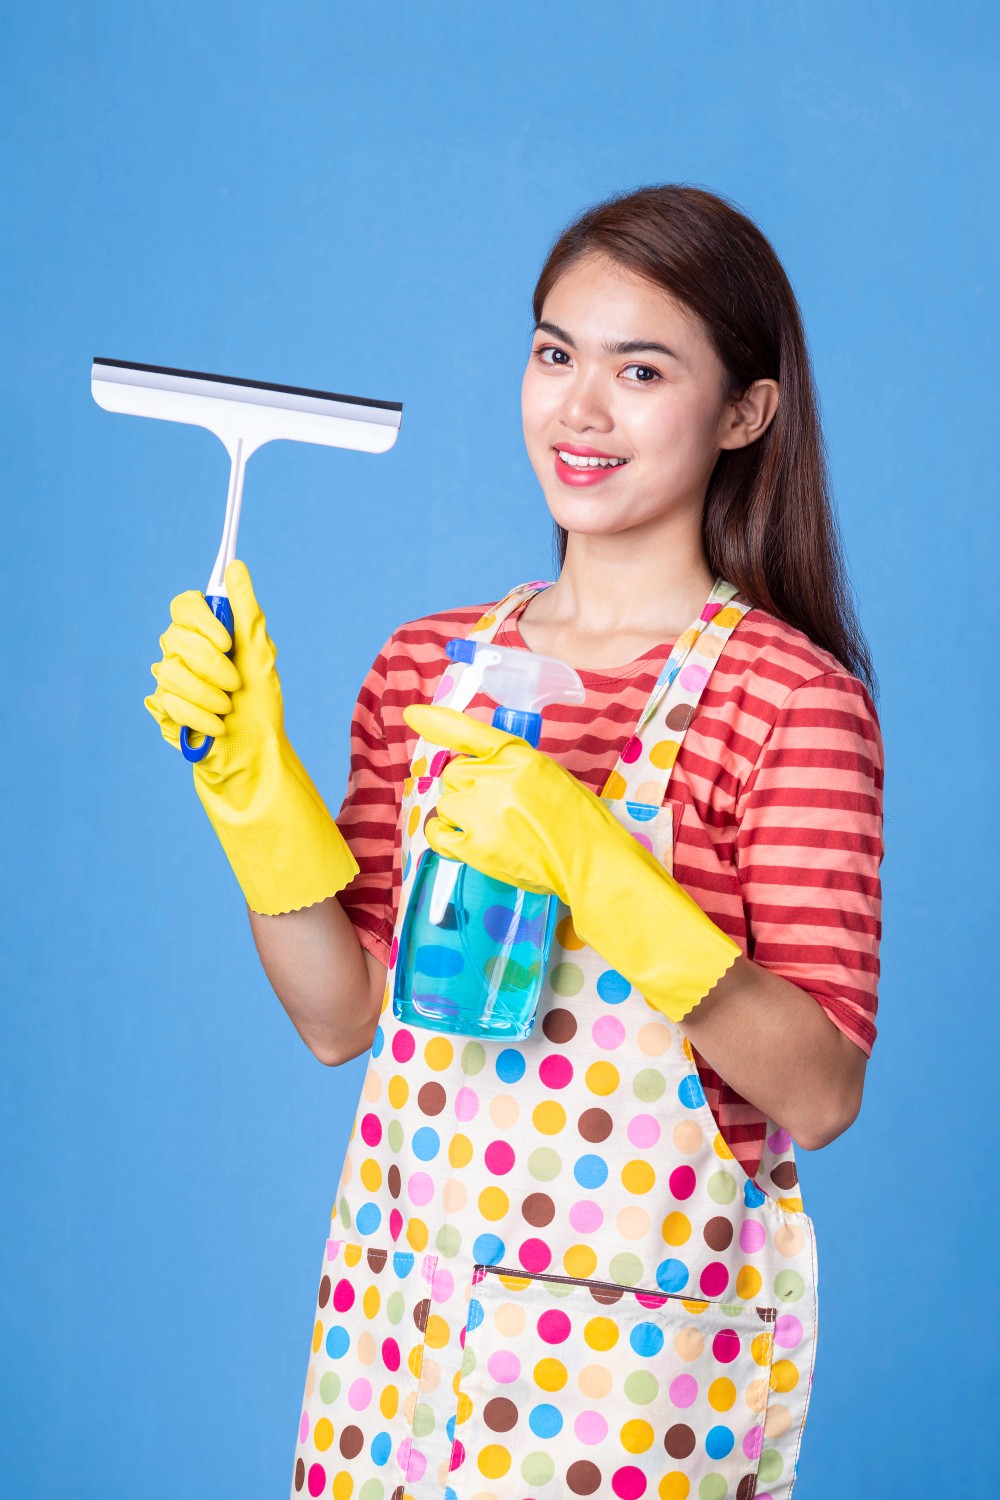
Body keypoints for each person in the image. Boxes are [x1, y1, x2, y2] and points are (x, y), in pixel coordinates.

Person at [146, 184, 884, 1500]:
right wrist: (252, 796)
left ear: (744, 412)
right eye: (554, 355)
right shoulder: (428, 668)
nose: (578, 411)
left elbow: (820, 1093)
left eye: (640, 369)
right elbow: (342, 1014)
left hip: (627, 1364)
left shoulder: (790, 703)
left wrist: (604, 874)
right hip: (400, 1328)